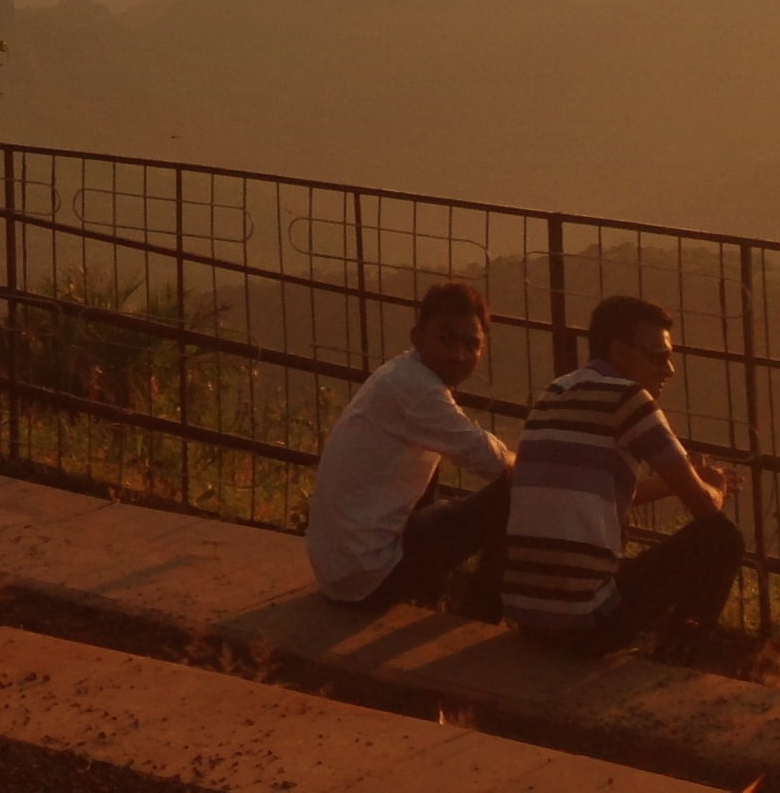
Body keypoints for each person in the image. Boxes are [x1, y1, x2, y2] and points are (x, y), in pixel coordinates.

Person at [500, 294, 745, 660]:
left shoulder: (555, 393)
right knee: (723, 538)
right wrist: (717, 487)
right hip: (585, 623)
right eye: (659, 357)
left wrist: (668, 484)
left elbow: (597, 494)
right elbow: (704, 507)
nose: (669, 370)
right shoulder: (631, 400)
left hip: (528, 615)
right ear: (620, 351)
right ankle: (675, 663)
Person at [306, 281, 516, 613]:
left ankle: (430, 594)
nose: (458, 354)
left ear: (482, 349)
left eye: (471, 344)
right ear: (418, 338)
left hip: (342, 567)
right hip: (368, 575)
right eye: (446, 339)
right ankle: (480, 611)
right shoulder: (416, 391)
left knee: (427, 460)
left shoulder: (401, 374)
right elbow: (492, 460)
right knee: (515, 490)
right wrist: (544, 465)